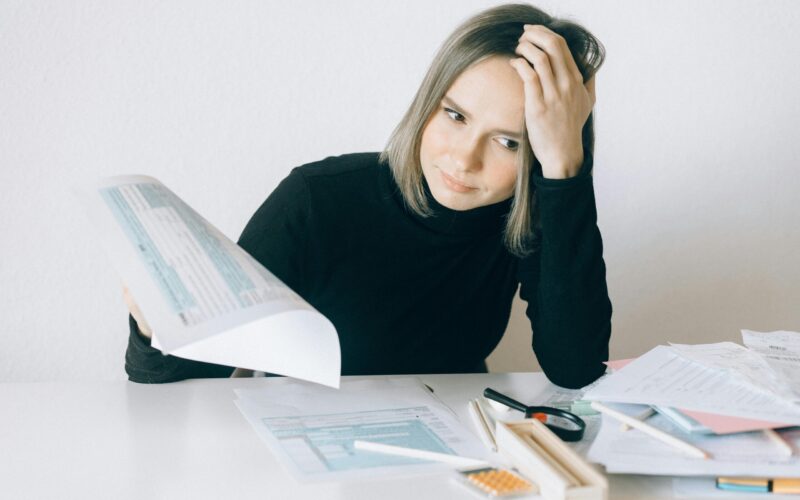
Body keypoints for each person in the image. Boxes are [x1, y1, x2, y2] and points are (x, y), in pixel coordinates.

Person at [123, 3, 612, 389]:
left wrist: (566, 169)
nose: (465, 159)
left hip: (454, 442)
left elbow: (575, 369)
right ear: (428, 102)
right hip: (301, 441)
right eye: (455, 115)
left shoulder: (531, 217)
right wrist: (154, 326)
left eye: (509, 142)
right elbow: (183, 379)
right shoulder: (315, 200)